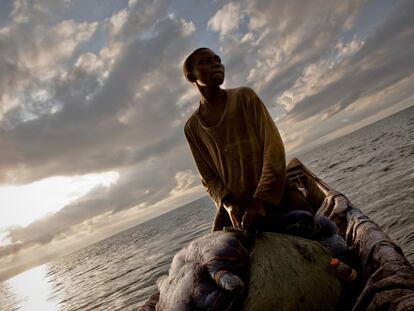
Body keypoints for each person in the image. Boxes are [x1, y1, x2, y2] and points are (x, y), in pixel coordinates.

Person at [183, 47, 313, 232]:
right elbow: (209, 178)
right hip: (237, 207)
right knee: (215, 254)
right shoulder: (192, 128)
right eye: (205, 61)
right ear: (191, 76)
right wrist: (228, 205)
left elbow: (273, 148)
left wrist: (260, 201)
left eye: (217, 59)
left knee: (311, 225)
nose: (216, 64)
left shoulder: (245, 97)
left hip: (276, 192)